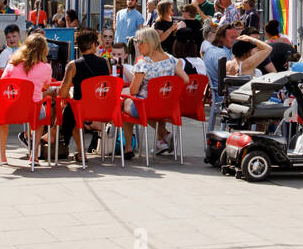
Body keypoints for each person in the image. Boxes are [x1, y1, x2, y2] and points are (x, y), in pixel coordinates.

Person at [121, 27, 188, 157]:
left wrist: (124, 92)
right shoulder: (172, 60)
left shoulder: (144, 64)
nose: (137, 46)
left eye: (140, 42)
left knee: (124, 103)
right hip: (167, 105)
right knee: (149, 103)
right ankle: (162, 139)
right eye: (136, 42)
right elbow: (185, 80)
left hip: (147, 107)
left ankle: (129, 147)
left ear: (149, 43)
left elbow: (134, 90)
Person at [55, 28, 112, 159]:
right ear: (93, 45)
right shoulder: (105, 63)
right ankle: (60, 138)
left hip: (81, 111)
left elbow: (63, 94)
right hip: (102, 109)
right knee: (73, 109)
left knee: (71, 108)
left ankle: (72, 146)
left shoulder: (73, 65)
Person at [0, 33, 55, 164]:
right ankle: (34, 155)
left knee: (2, 123)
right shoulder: (46, 68)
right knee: (41, 117)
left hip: (11, 108)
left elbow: (2, 84)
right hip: (32, 111)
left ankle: (2, 156)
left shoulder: (12, 63)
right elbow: (46, 86)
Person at [201, 22, 241, 128]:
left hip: (219, 94)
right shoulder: (221, 54)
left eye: (236, 37)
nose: (235, 40)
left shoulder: (211, 50)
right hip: (224, 97)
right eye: (232, 37)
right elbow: (230, 78)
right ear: (221, 38)